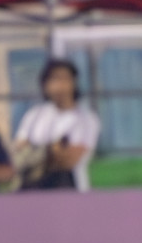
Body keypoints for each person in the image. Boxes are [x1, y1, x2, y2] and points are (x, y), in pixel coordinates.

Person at [13, 58, 101, 191]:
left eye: (64, 79)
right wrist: (51, 151)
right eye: (54, 79)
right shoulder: (34, 115)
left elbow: (69, 160)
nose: (59, 85)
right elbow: (19, 152)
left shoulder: (86, 119)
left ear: (73, 83)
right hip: (32, 189)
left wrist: (38, 154)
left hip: (70, 190)